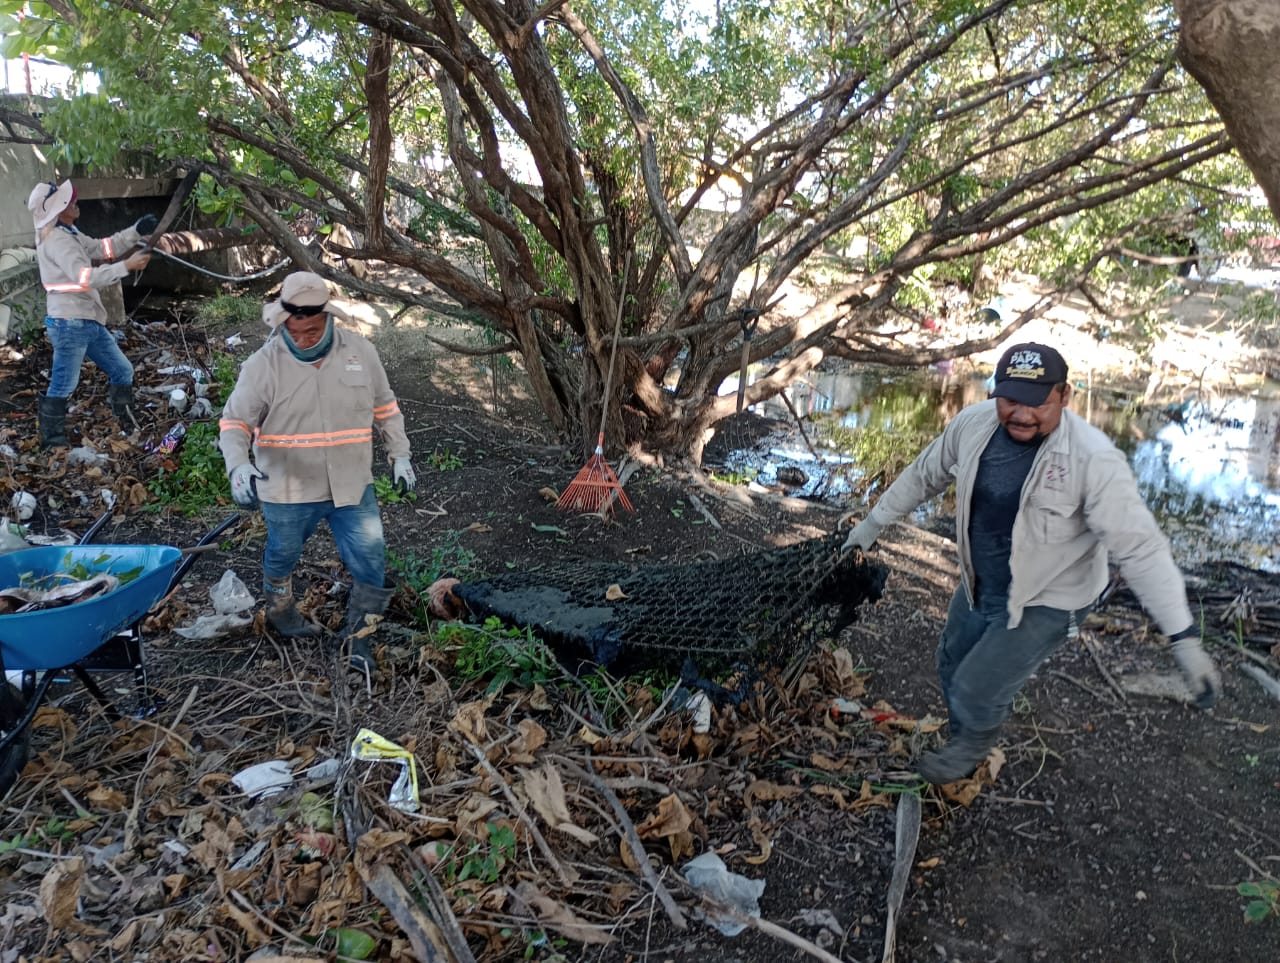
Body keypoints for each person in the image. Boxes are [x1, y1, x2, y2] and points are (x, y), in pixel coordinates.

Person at [842, 342, 1221, 784]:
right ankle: (968, 726)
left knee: (977, 684)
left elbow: (1141, 549)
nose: (1021, 413)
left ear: (1064, 395)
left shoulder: (1093, 458)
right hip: (980, 578)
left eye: (1037, 401)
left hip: (1052, 595)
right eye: (1010, 399)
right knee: (952, 660)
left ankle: (974, 742)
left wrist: (1183, 638)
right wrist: (872, 523)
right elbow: (926, 473)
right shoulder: (973, 425)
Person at [217, 271, 417, 671]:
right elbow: (235, 423)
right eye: (297, 330)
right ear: (283, 322)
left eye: (313, 329)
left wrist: (400, 454)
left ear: (328, 318)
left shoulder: (360, 352)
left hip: (351, 483)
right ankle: (280, 611)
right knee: (282, 554)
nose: (305, 337)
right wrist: (238, 465)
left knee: (371, 560)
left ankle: (359, 638)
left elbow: (385, 407)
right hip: (287, 489)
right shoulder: (262, 366)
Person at [27, 179, 154, 447]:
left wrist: (135, 231)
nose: (75, 203)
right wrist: (126, 266)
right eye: (69, 202)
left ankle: (126, 421)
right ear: (59, 210)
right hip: (70, 324)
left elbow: (101, 248)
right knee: (63, 385)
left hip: (86, 319)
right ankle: (52, 443)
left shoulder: (68, 232)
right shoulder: (57, 240)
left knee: (122, 370)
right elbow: (84, 277)